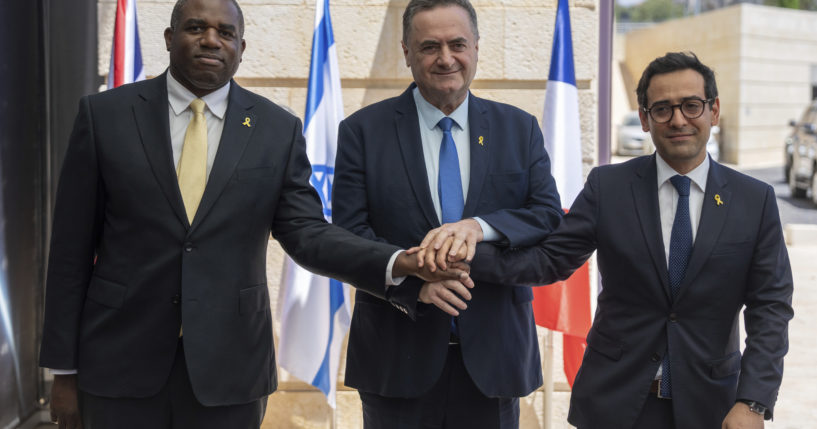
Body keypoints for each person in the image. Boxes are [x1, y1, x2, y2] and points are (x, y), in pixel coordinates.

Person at [38, 0, 468, 428]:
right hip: (117, 367)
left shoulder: (276, 130)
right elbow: (69, 254)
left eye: (225, 33)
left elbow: (308, 235)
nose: (211, 40)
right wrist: (64, 371)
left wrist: (397, 263)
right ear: (169, 39)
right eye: (195, 28)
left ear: (241, 48)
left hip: (229, 374)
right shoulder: (105, 116)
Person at [454, 52, 794, 428]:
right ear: (645, 119)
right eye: (662, 109)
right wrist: (461, 257)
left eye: (691, 106)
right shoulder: (608, 188)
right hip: (615, 404)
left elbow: (771, 308)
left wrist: (753, 401)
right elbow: (547, 261)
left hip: (713, 407)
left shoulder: (755, 201)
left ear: (713, 111)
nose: (678, 119)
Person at [331, 0, 563, 427]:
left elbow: (547, 215)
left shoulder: (520, 128)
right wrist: (409, 284)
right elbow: (347, 236)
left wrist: (480, 227)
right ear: (406, 52)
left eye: (458, 43)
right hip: (395, 358)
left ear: (476, 46)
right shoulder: (362, 132)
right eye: (429, 46)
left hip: (495, 360)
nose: (446, 58)